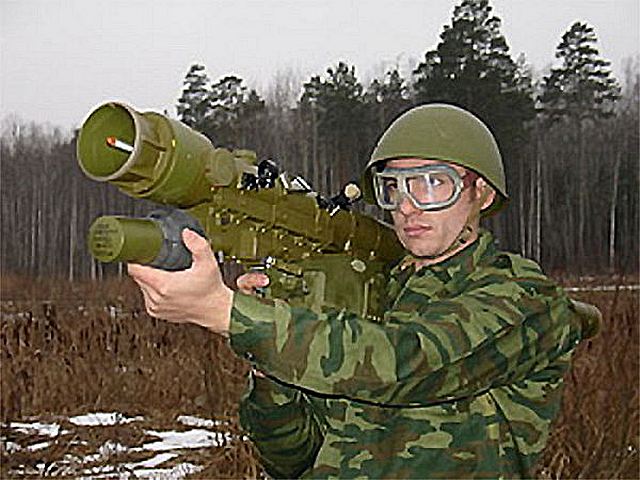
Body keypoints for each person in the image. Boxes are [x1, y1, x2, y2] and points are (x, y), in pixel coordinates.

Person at [128, 104, 595, 479]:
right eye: (394, 188)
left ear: (482, 193)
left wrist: (227, 313)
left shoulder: (526, 298)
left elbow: (407, 363)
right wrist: (270, 359)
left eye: (433, 183)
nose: (407, 206)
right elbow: (292, 460)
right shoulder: (369, 296)